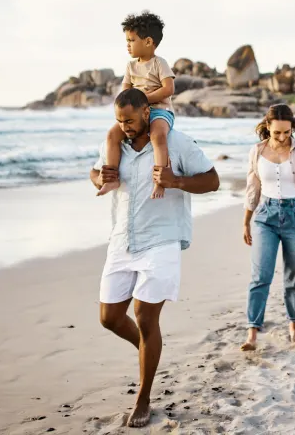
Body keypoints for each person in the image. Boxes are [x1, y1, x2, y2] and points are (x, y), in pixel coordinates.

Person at [90, 88, 219, 427]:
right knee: (110, 317)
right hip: (122, 240)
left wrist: (176, 181)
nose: (125, 126)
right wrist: (99, 177)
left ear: (147, 112)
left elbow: (213, 180)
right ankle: (150, 350)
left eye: (130, 120)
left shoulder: (176, 143)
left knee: (145, 317)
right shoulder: (115, 142)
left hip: (161, 241)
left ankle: (143, 398)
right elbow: (95, 173)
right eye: (119, 120)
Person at [241, 104, 295, 351]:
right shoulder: (256, 151)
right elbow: (252, 188)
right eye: (277, 133)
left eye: (287, 132)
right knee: (260, 274)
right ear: (268, 128)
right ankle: (252, 331)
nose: (283, 137)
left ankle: (294, 323)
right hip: (265, 215)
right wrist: (246, 220)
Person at [97, 11, 175, 199]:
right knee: (112, 134)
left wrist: (143, 100)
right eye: (127, 40)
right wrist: (127, 104)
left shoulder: (159, 63)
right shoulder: (131, 66)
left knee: (157, 135)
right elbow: (125, 91)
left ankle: (160, 181)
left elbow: (168, 89)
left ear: (148, 41)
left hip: (159, 111)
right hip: (137, 113)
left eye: (131, 40)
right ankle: (112, 178)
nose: (128, 45)